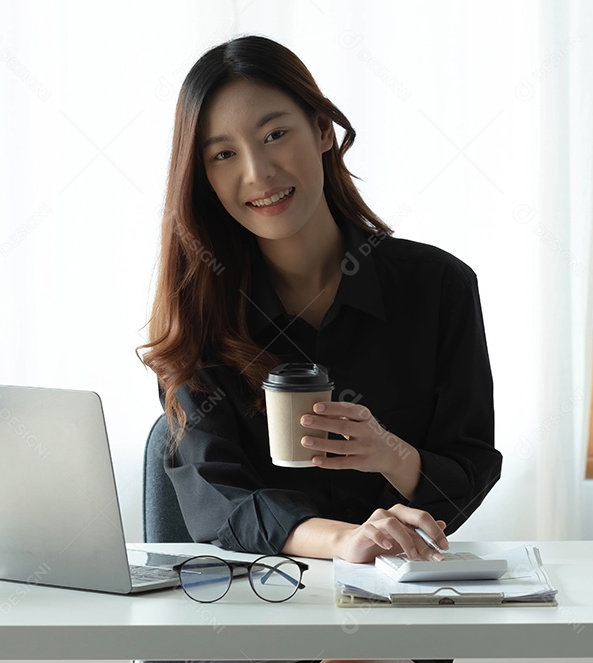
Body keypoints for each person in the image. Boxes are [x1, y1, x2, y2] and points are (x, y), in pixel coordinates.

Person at [137, 34, 500, 662]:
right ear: (203, 175)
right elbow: (213, 497)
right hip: (254, 616)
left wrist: (389, 453)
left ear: (323, 129)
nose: (258, 173)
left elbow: (466, 472)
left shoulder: (439, 288)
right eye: (223, 153)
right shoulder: (201, 311)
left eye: (275, 134)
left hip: (397, 619)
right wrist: (346, 540)